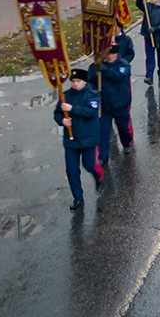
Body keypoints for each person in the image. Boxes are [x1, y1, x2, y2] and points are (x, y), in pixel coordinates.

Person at [56, 68, 105, 211]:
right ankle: (78, 197)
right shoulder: (65, 96)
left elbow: (91, 112)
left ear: (85, 82)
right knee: (71, 170)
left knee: (89, 165)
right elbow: (57, 114)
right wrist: (62, 121)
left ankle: (99, 177)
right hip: (71, 139)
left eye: (78, 81)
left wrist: (72, 108)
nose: (75, 84)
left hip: (89, 138)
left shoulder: (92, 95)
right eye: (73, 81)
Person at [90, 44, 134, 160]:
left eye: (112, 54)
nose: (109, 57)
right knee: (103, 132)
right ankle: (103, 157)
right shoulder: (96, 66)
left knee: (123, 128)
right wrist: (93, 93)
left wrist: (106, 70)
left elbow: (120, 77)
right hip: (104, 106)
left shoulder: (123, 64)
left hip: (120, 104)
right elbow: (90, 82)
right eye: (107, 54)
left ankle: (126, 143)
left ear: (116, 54)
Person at [135, 0, 160, 83]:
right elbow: (139, 4)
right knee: (149, 57)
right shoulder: (147, 7)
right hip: (148, 36)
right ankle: (149, 76)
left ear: (158, 0)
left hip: (159, 37)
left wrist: (155, 29)